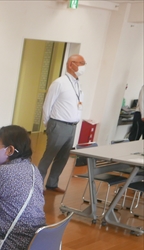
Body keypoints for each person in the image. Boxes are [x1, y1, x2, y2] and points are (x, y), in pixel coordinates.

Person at [38, 54, 87, 193]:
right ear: (71, 64)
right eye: (81, 63)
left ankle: (52, 183)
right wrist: (48, 125)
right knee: (49, 155)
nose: (83, 66)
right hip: (58, 124)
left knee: (63, 157)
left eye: (84, 63)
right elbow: (47, 105)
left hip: (72, 126)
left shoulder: (77, 84)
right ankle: (37, 185)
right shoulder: (59, 83)